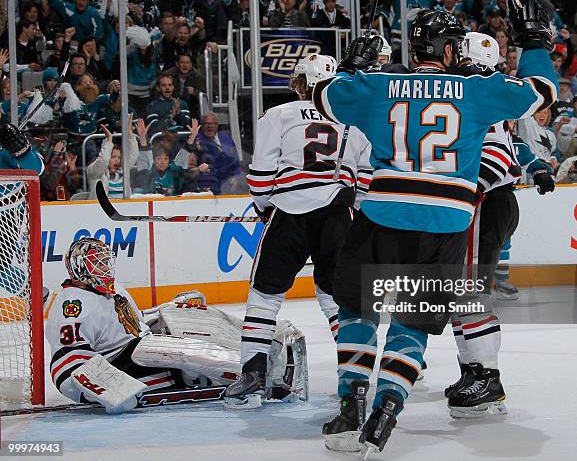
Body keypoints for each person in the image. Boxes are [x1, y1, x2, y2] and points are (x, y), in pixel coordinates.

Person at [312, 2, 557, 456]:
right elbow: (541, 90)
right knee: (412, 324)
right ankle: (387, 407)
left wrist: (351, 65)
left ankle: (350, 403)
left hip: (382, 215)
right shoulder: (477, 89)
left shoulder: (381, 85)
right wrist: (536, 44)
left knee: (356, 310)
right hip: (445, 223)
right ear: (449, 51)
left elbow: (323, 95)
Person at [223, 54, 372, 409]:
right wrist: (351, 209)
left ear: (300, 82)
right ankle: (353, 377)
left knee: (265, 295)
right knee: (337, 299)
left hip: (289, 215)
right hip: (338, 215)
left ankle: (253, 375)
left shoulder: (279, 114)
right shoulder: (355, 120)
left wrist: (265, 208)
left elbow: (260, 177)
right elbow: (365, 179)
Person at [46, 237, 308, 413]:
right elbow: (66, 365)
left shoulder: (113, 290)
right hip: (121, 363)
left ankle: (264, 343)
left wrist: (165, 308)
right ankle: (255, 374)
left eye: (106, 261)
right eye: (98, 263)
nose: (106, 268)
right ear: (81, 268)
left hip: (137, 345)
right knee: (171, 348)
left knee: (190, 319)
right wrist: (106, 390)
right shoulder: (73, 305)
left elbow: (131, 323)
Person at [445, 32, 555, 417]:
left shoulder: (472, 89)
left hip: (486, 201)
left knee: (468, 292)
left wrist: (467, 192)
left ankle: (487, 378)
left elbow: (494, 155)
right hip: (492, 200)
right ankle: (472, 370)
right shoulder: (490, 87)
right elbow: (508, 147)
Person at [181, 112, 241, 194]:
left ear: (217, 125)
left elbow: (236, 162)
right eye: (206, 123)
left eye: (213, 123)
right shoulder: (196, 139)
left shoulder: (227, 139)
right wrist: (192, 137)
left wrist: (236, 177)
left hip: (227, 183)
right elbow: (182, 162)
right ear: (201, 125)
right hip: (205, 184)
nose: (210, 126)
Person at [86, 120, 140, 199]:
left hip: (124, 209)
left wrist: (129, 133)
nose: (117, 160)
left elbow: (134, 154)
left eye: (119, 157)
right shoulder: (95, 172)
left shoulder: (122, 170)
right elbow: (103, 161)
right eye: (114, 157)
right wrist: (109, 140)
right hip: (102, 210)